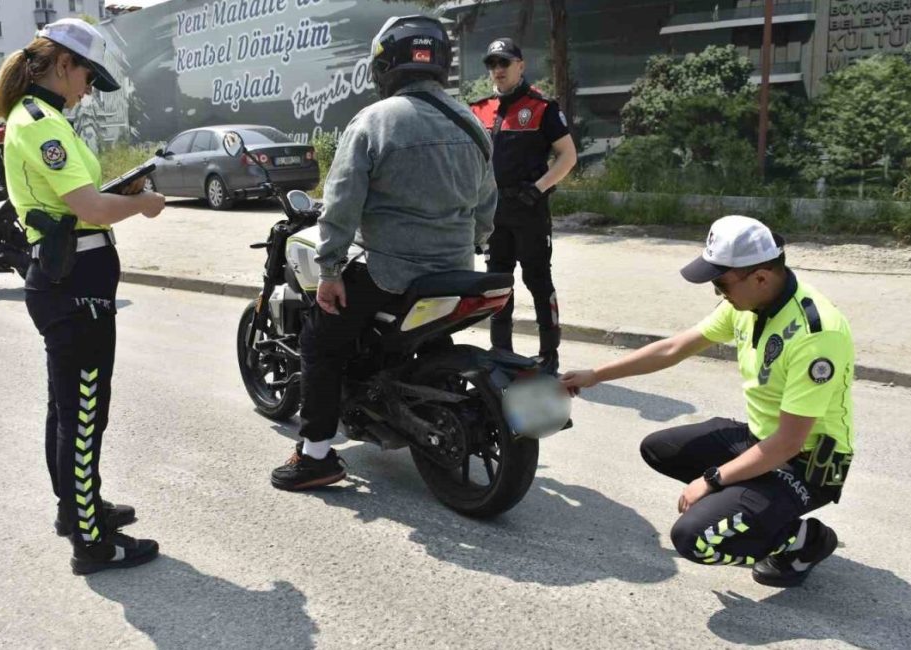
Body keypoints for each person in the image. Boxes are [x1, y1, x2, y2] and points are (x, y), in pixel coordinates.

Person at [561, 216, 854, 587]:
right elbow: (673, 348)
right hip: (761, 439)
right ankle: (755, 506)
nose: (717, 292)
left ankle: (804, 540)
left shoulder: (816, 335)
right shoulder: (749, 302)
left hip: (805, 466)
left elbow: (789, 442)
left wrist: (713, 481)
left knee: (693, 539)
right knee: (660, 448)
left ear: (760, 277)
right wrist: (596, 375)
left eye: (720, 283)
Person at [270, 15, 497, 491]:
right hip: (456, 271)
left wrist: (330, 268)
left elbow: (343, 201)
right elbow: (487, 205)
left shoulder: (375, 120)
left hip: (392, 273)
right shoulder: (473, 123)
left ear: (385, 66)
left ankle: (315, 456)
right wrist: (468, 243)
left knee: (319, 341)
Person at [0, 17, 166, 574]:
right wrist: (140, 204)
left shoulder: (39, 117)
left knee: (67, 410)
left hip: (68, 281)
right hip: (76, 286)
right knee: (84, 414)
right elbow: (90, 210)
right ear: (63, 64)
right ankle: (91, 543)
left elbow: (78, 202)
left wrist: (118, 194)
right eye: (88, 76)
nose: (89, 88)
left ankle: (77, 511)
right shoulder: (42, 122)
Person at [469, 38, 577, 372]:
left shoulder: (542, 107)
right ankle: (501, 351)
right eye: (492, 64)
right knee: (498, 283)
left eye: (504, 63)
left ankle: (549, 354)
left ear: (520, 65)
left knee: (538, 281)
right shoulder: (478, 109)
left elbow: (568, 156)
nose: (498, 70)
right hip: (494, 214)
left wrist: (540, 187)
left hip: (529, 210)